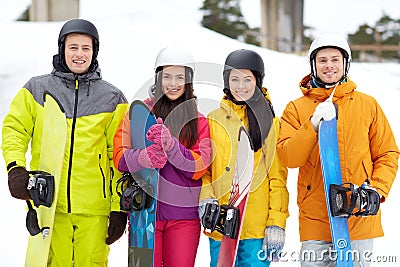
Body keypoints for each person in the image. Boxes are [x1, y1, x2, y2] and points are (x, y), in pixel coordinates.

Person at [2, 19, 129, 266]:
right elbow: (14, 130)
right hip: (49, 205)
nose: (79, 54)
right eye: (73, 47)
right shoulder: (37, 89)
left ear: (94, 52)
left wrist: (118, 207)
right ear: (62, 49)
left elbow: (118, 156)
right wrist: (16, 168)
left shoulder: (113, 98)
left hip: (95, 209)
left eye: (86, 48)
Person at [277, 33, 399, 266]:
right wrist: (312, 125)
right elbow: (288, 157)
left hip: (358, 217)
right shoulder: (296, 108)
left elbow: (388, 153)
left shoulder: (367, 104)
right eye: (322, 60)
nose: (329, 65)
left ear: (346, 64)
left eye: (335, 59)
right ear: (313, 65)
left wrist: (376, 190)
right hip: (316, 220)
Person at [113, 46, 212, 267]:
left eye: (180, 77)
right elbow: (119, 157)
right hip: (144, 214)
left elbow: (200, 167)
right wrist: (142, 157)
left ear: (189, 81)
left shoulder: (199, 121)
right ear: (158, 78)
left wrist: (173, 148)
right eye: (167, 76)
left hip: (183, 217)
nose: (173, 83)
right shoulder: (137, 114)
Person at [199, 49, 289, 266]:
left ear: (258, 81)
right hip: (221, 225)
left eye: (247, 79)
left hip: (256, 229)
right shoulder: (213, 120)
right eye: (235, 79)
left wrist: (276, 223)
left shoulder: (270, 123)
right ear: (226, 81)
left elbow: (277, 178)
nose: (241, 86)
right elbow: (205, 170)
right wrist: (205, 198)